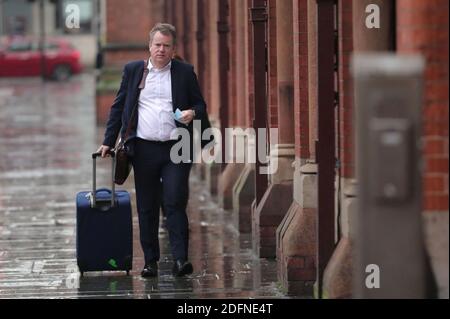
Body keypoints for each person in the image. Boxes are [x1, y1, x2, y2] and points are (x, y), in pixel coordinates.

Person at [97, 23, 211, 278]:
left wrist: (193, 113)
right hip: (144, 149)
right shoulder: (134, 71)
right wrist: (108, 140)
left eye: (166, 45)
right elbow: (118, 107)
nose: (161, 49)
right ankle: (150, 261)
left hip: (176, 149)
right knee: (147, 206)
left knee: (174, 200)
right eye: (157, 44)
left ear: (173, 49)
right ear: (149, 46)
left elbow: (200, 105)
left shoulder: (184, 72)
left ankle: (181, 260)